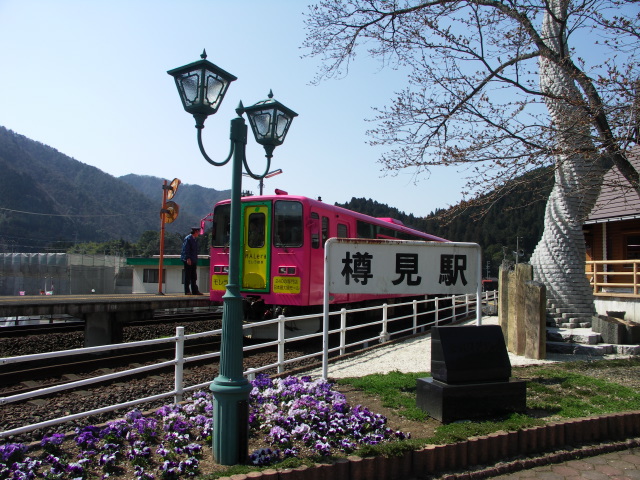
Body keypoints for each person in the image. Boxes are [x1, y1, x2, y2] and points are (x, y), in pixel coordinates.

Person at [181, 227, 203, 295]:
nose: (198, 233)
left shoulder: (194, 239)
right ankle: (187, 291)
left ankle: (195, 290)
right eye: (198, 232)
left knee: (193, 276)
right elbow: (186, 249)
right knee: (188, 275)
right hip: (189, 259)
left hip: (193, 259)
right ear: (196, 232)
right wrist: (188, 258)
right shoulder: (188, 238)